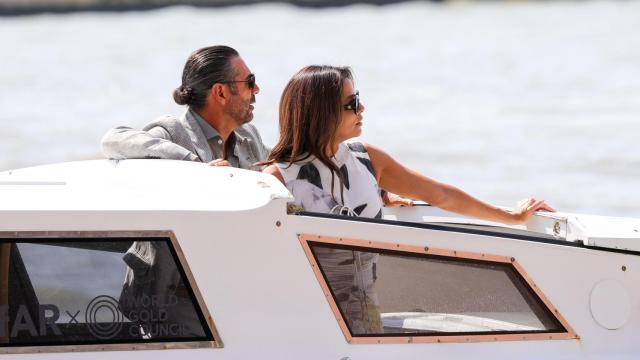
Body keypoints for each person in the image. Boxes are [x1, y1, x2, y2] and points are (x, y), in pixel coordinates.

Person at [262, 65, 554, 334]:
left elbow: (440, 194)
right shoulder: (277, 179)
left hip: (366, 320)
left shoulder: (366, 160)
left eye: (358, 99)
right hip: (308, 322)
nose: (362, 108)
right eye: (351, 104)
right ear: (322, 113)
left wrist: (511, 218)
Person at [101, 45, 269, 169]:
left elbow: (285, 159)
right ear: (220, 92)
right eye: (250, 82)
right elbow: (113, 141)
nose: (256, 89)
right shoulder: (174, 133)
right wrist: (196, 167)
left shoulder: (249, 136)